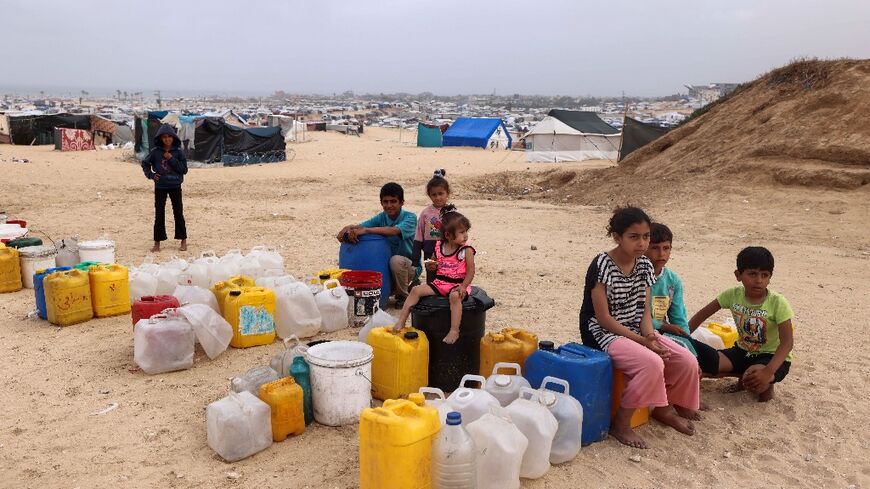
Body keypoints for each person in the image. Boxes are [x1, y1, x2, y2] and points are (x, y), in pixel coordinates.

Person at [579, 207, 699, 449]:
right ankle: (621, 424)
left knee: (686, 359)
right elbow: (603, 318)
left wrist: (649, 336)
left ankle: (664, 410)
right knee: (651, 363)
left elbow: (643, 310)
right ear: (617, 237)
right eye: (634, 237)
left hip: (635, 329)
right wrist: (641, 341)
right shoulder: (602, 265)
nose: (642, 243)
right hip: (602, 333)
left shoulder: (644, 265)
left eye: (645, 236)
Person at [688, 246, 794, 402]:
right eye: (752, 274)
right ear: (738, 275)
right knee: (704, 362)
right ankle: (741, 375)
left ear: (770, 278)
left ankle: (766, 383)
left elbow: (787, 343)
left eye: (764, 275)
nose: (759, 280)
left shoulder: (778, 302)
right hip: (741, 351)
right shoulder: (732, 295)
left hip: (771, 357)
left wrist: (768, 371)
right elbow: (701, 315)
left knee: (755, 379)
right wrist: (684, 337)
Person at [394, 205, 475, 344]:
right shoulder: (439, 246)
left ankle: (454, 330)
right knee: (415, 290)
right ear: (448, 235)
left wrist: (463, 286)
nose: (465, 235)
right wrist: (430, 265)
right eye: (462, 232)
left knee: (454, 297)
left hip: (457, 284)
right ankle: (401, 321)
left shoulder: (466, 250)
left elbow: (471, 271)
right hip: (440, 282)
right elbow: (432, 262)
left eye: (466, 231)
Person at [645, 223, 719, 376]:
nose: (661, 254)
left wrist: (687, 341)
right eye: (655, 248)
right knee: (670, 357)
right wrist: (663, 326)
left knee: (711, 359)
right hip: (642, 332)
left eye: (666, 248)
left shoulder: (673, 280)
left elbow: (678, 318)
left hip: (666, 332)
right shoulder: (637, 276)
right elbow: (633, 315)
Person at [336, 182, 418, 306]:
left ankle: (403, 296)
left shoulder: (410, 218)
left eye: (393, 201)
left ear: (402, 202)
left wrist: (366, 230)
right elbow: (361, 226)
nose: (389, 205)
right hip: (388, 269)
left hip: (409, 267)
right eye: (385, 202)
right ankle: (402, 288)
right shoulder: (381, 217)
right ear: (381, 203)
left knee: (396, 261)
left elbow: (395, 231)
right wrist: (348, 228)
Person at [141, 124, 188, 252]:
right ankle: (157, 243)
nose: (167, 139)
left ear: (173, 138)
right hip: (160, 186)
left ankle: (183, 240)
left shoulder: (178, 152)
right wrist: (151, 175)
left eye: (169, 137)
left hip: (175, 186)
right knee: (159, 214)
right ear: (160, 138)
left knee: (178, 213)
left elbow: (184, 170)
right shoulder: (155, 152)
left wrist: (172, 159)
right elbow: (145, 163)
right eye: (164, 137)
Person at [411, 169, 450, 283]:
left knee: (446, 276)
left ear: (447, 193)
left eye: (441, 193)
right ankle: (431, 300)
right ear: (429, 195)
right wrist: (415, 256)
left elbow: (457, 232)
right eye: (434, 194)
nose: (437, 197)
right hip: (429, 250)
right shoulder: (425, 213)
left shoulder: (451, 212)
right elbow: (419, 234)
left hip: (447, 251)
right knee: (431, 276)